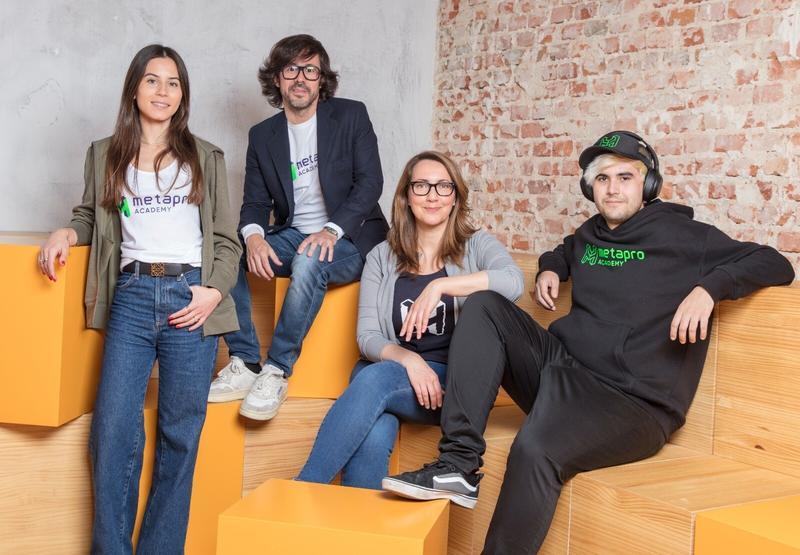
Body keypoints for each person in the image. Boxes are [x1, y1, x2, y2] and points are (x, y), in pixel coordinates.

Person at [382, 131, 795, 554]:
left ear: (648, 184)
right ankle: (457, 464)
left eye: (625, 177)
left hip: (633, 405)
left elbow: (774, 262)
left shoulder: (683, 236)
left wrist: (709, 289)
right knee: (484, 304)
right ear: (589, 187)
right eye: (602, 179)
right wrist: (551, 267)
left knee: (535, 448)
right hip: (565, 374)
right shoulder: (589, 233)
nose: (612, 188)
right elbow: (566, 249)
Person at [38, 45, 240, 553]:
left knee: (180, 435)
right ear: (134, 89)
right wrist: (66, 232)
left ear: (182, 95)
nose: (163, 91)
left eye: (173, 83)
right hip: (129, 297)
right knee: (111, 432)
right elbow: (91, 215)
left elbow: (225, 240)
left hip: (189, 297)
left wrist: (213, 291)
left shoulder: (205, 157)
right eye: (153, 80)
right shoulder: (106, 153)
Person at [295, 151, 524, 488]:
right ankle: (358, 518)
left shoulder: (476, 245)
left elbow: (514, 282)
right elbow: (367, 336)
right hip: (393, 375)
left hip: (448, 387)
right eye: (421, 186)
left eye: (443, 186)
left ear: (456, 197)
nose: (432, 196)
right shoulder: (381, 256)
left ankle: (302, 489)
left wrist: (440, 286)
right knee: (376, 424)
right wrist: (410, 361)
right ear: (406, 196)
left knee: (374, 380)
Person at [207, 34, 387, 420]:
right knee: (223, 251)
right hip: (292, 234)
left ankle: (276, 370)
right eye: (291, 69)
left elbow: (370, 183)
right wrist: (254, 238)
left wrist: (331, 230)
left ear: (322, 79)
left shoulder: (351, 116)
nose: (301, 78)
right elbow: (256, 203)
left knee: (310, 260)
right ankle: (245, 360)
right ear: (277, 78)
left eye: (310, 70)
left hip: (351, 238)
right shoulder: (263, 135)